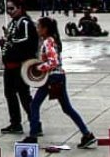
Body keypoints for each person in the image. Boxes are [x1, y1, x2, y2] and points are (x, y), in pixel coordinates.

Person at [22, 17, 96, 148]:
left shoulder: (48, 42)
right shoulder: (51, 40)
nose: (37, 29)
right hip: (58, 77)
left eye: (39, 27)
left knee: (35, 105)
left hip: (53, 78)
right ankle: (87, 134)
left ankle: (33, 136)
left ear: (45, 29)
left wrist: (38, 68)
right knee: (66, 108)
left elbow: (53, 62)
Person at [0, 0, 37, 134]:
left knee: (24, 95)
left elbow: (27, 40)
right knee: (9, 94)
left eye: (12, 8)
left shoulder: (25, 22)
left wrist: (9, 41)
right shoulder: (13, 23)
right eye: (8, 9)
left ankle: (35, 123)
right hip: (10, 65)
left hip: (20, 65)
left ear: (20, 8)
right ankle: (15, 123)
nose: (9, 11)